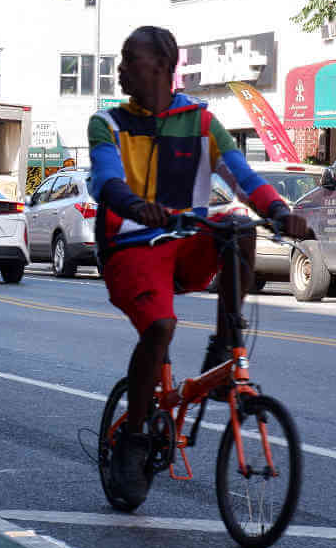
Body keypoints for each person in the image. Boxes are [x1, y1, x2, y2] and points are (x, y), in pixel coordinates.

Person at [88, 26, 309, 507]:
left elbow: (242, 175)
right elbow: (106, 180)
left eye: (130, 59)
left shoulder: (204, 122)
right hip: (130, 247)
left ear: (163, 68)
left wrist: (278, 212)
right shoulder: (107, 122)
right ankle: (134, 439)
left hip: (186, 243)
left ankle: (224, 347)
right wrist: (133, 205)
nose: (120, 68)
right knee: (161, 327)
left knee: (239, 229)